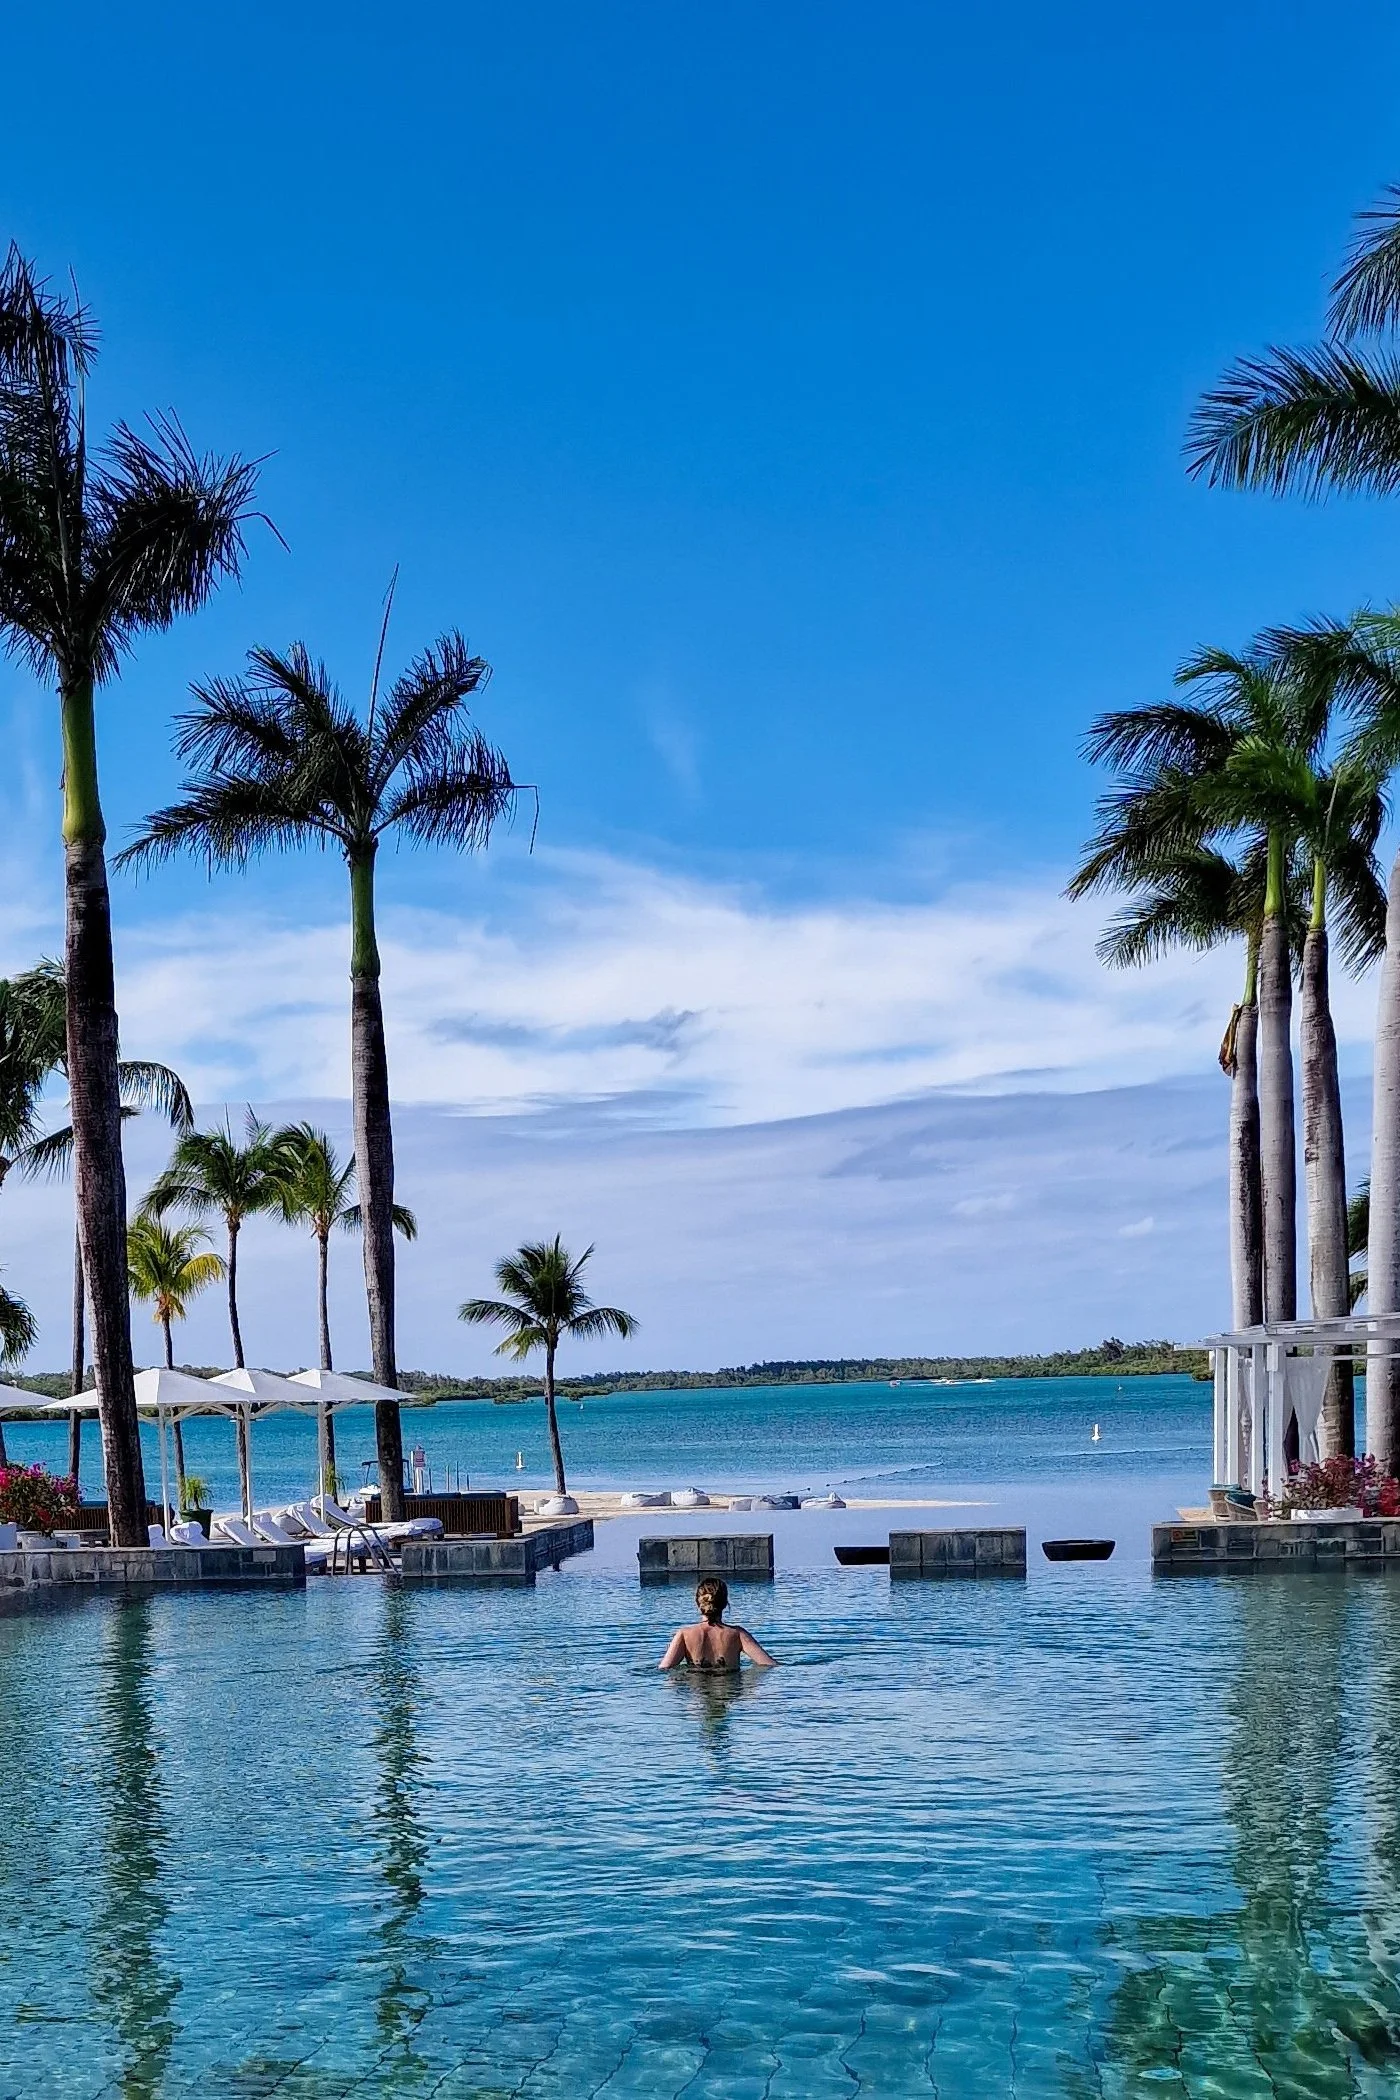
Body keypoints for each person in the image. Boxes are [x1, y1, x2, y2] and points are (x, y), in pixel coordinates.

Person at [658, 1576, 778, 1672]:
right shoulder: (737, 1634)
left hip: (698, 1691)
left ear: (698, 1604)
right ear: (725, 1604)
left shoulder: (684, 1634)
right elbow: (768, 1664)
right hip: (729, 1690)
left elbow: (665, 1668)